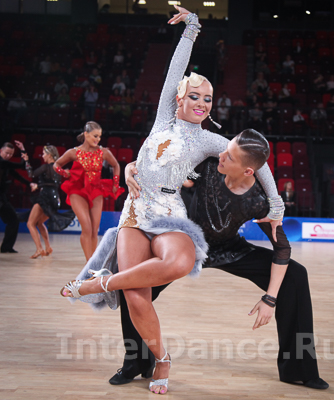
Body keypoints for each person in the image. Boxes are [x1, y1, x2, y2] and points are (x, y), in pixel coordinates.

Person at [60, 7, 284, 395]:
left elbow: (257, 161)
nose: (202, 103)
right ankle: (161, 358)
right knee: (136, 297)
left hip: (168, 213)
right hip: (135, 212)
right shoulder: (164, 116)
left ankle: (98, 283)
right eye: (194, 96)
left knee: (180, 261)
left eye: (208, 99)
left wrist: (276, 202)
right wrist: (191, 29)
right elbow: (174, 70)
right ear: (179, 98)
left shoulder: (210, 140)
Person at [76, 130, 327, 391]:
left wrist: (270, 298)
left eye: (230, 156)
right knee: (133, 280)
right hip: (186, 243)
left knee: (296, 276)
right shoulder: (206, 168)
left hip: (229, 249)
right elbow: (158, 168)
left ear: (248, 171)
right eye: (225, 150)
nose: (221, 155)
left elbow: (282, 249)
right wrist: (131, 168)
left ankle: (299, 370)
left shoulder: (260, 200)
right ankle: (137, 362)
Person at [53, 121, 124, 260]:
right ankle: (88, 263)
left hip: (96, 190)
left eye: (99, 136)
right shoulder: (73, 152)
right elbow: (56, 164)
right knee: (86, 227)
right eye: (95, 136)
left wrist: (115, 182)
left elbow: (116, 165)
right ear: (86, 134)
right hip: (77, 191)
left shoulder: (103, 152)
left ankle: (93, 262)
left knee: (94, 229)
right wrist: (64, 173)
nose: (98, 139)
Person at [24, 146, 75, 258]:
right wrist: (39, 185)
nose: (42, 156)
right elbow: (53, 183)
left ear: (49, 155)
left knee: (30, 223)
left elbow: (31, 174)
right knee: (39, 223)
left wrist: (27, 161)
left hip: (45, 197)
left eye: (44, 153)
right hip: (55, 198)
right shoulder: (58, 168)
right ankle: (48, 248)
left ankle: (39, 249)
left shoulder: (46, 167)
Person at [0, 141, 35, 253]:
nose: (8, 156)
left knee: (13, 220)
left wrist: (29, 184)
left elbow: (17, 175)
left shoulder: (6, 164)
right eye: (6, 153)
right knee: (13, 220)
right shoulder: (1, 162)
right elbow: (21, 165)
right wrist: (23, 150)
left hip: (2, 198)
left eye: (11, 154)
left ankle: (6, 247)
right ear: (0, 151)